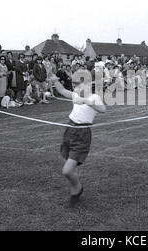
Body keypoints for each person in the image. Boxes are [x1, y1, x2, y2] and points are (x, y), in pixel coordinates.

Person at [49, 71, 106, 207]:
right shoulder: (75, 94)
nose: (75, 88)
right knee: (69, 165)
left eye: (77, 85)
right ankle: (76, 187)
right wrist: (54, 80)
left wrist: (87, 102)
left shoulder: (94, 97)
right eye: (74, 85)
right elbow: (62, 90)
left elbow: (103, 109)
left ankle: (77, 189)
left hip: (82, 134)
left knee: (67, 171)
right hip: (70, 130)